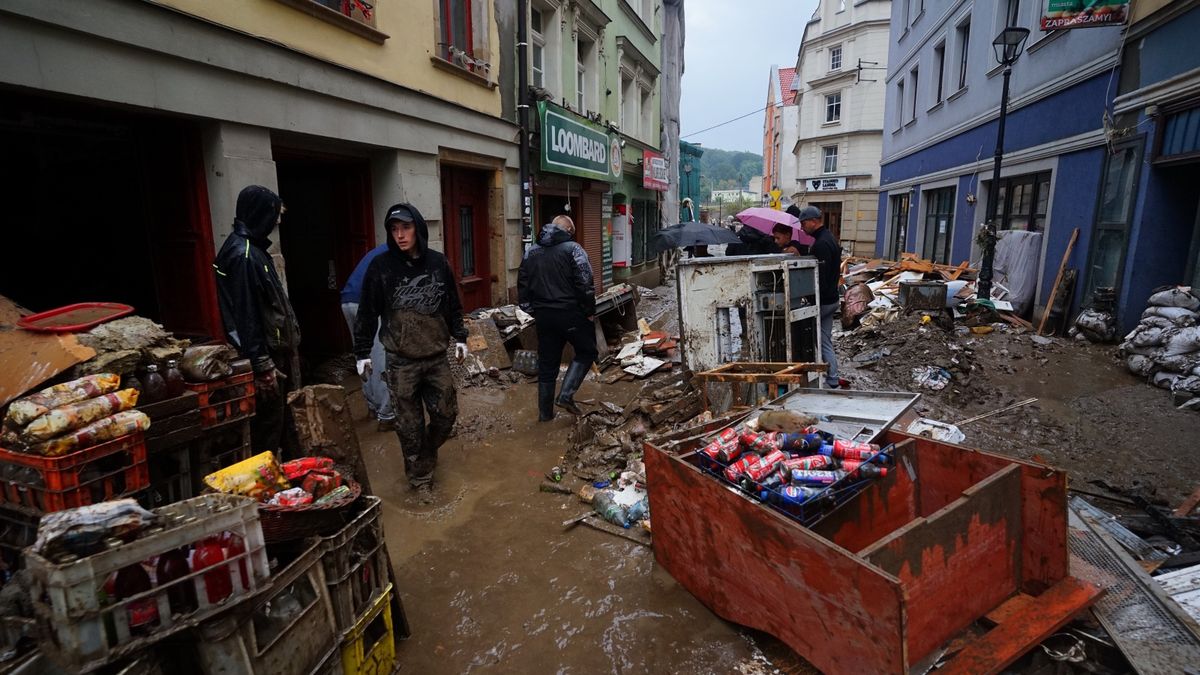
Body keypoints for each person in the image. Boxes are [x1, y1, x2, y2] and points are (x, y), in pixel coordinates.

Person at [353, 203, 469, 501]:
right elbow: (367, 312)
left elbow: (453, 303)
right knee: (409, 426)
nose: (400, 235)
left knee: (446, 416)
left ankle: (425, 455)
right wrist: (362, 352)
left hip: (435, 357)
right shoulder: (381, 267)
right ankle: (420, 479)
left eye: (406, 228)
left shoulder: (438, 263)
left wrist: (460, 337)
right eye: (394, 229)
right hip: (400, 361)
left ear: (418, 228)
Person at [213, 185, 301, 454]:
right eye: (274, 216)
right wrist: (262, 365)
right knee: (268, 426)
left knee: (284, 421)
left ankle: (289, 470)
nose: (276, 223)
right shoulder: (244, 255)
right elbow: (246, 314)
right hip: (265, 355)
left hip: (275, 351)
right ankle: (267, 473)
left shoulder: (254, 250)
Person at [517, 214, 597, 421]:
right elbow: (585, 282)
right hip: (570, 313)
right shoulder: (573, 249)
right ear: (568, 230)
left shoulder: (531, 252)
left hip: (544, 316)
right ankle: (566, 395)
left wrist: (533, 310)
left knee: (547, 365)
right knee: (587, 351)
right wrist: (589, 311)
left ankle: (545, 416)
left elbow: (522, 284)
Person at [341, 243, 395, 432]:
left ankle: (372, 407)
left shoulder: (383, 249)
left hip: (348, 300)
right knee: (382, 356)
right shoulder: (400, 253)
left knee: (363, 356)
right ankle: (387, 415)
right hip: (367, 302)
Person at [796, 205, 843, 388]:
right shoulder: (828, 238)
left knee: (811, 339)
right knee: (825, 340)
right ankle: (832, 378)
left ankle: (822, 378)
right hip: (832, 298)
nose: (802, 227)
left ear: (813, 221)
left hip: (823, 301)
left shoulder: (821, 243)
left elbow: (820, 278)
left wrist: (811, 300)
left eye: (803, 223)